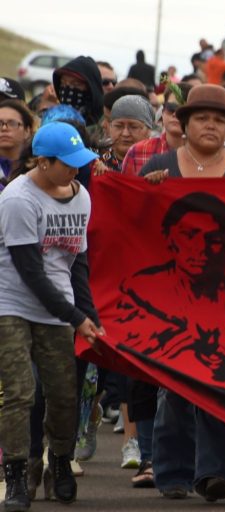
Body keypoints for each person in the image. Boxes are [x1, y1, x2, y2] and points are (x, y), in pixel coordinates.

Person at [138, 85, 225, 502]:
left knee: (222, 381)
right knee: (173, 388)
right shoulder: (159, 167)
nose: (210, 125)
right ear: (184, 123)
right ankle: (173, 471)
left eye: (219, 120)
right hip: (169, 299)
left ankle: (218, 474)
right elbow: (134, 228)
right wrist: (146, 193)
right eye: (202, 118)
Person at [0, 122, 105, 510]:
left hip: (58, 307)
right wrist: (76, 317)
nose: (76, 170)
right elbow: (30, 270)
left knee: (63, 394)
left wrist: (90, 315)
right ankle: (16, 474)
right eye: (67, 163)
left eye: (81, 162)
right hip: (11, 304)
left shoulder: (81, 197)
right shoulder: (17, 199)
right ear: (42, 162)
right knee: (20, 393)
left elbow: (77, 264)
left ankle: (58, 461)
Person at [122, 84, 191, 176]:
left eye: (182, 109)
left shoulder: (205, 155)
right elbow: (125, 189)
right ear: (163, 111)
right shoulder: (137, 152)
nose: (175, 114)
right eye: (171, 107)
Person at [101, 95, 155, 172]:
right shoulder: (97, 160)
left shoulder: (158, 162)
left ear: (149, 130)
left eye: (134, 127)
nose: (125, 134)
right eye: (118, 126)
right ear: (110, 127)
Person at [0, 100, 34, 188]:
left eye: (12, 123)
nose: (4, 128)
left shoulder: (39, 166)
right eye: (0, 123)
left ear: (27, 130)